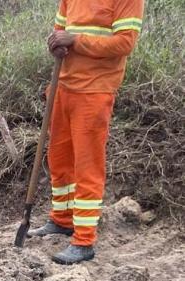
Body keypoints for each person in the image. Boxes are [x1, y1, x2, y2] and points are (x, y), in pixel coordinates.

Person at [28, 0, 144, 264]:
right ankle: (62, 220)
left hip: (94, 91)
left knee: (87, 166)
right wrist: (56, 43)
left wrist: (75, 40)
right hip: (62, 86)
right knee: (59, 160)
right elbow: (60, 31)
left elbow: (124, 44)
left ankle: (84, 240)